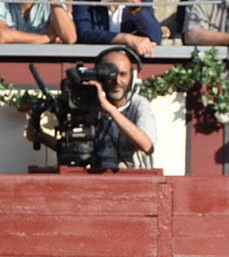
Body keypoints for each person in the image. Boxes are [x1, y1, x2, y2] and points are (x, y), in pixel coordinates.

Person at [26, 45, 157, 169]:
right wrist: (41, 137)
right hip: (96, 182)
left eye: (123, 74)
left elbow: (146, 145)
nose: (117, 81)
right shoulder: (90, 103)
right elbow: (79, 150)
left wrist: (110, 110)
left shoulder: (138, 104)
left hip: (134, 183)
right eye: (111, 76)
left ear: (132, 77)